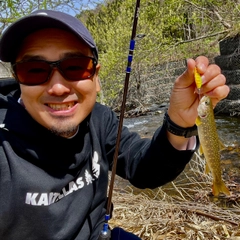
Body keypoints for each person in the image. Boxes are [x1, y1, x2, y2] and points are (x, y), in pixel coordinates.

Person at [0, 9, 229, 240]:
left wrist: (179, 123)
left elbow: (144, 170)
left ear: (96, 77)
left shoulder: (100, 120)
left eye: (75, 67)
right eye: (34, 70)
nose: (58, 88)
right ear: (18, 78)